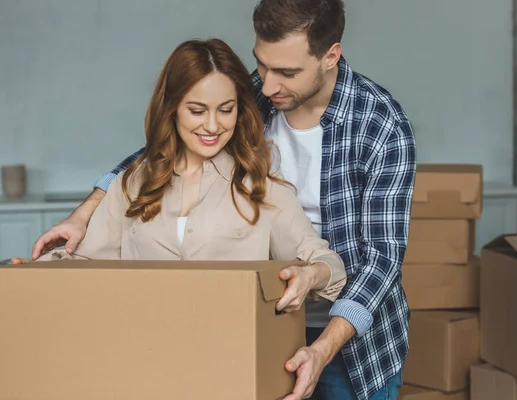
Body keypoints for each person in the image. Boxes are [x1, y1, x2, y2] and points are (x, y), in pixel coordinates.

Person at [30, 1, 417, 399]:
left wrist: (320, 343)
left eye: (285, 72)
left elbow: (381, 260)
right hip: (262, 331)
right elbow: (159, 155)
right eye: (261, 65)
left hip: (348, 337)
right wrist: (84, 213)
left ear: (330, 55)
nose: (266, 87)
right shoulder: (248, 91)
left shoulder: (380, 125)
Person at [13, 38, 347, 318]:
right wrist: (33, 273)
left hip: (232, 367)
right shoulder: (133, 183)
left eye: (226, 109)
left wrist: (308, 275)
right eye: (198, 111)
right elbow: (84, 262)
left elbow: (327, 264)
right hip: (144, 362)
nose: (213, 126)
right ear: (172, 109)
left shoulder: (260, 185)